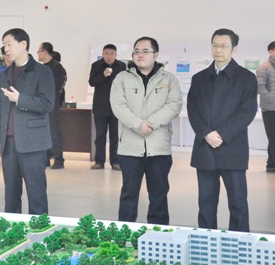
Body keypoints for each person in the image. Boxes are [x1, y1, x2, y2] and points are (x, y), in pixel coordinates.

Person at [188, 28, 258, 232]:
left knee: (238, 203)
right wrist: (206, 134)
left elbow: (247, 111)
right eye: (215, 45)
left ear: (234, 49)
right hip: (205, 148)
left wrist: (221, 135)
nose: (218, 50)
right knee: (206, 203)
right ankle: (206, 242)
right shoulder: (199, 78)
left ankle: (240, 243)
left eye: (224, 46)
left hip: (232, 148)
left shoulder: (246, 78)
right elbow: (193, 110)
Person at [110, 36, 182, 225]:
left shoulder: (169, 79)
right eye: (136, 51)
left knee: (159, 195)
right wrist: (137, 124)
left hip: (159, 148)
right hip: (130, 148)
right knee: (128, 195)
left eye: (145, 51)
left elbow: (174, 105)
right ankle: (124, 234)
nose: (140, 55)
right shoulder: (122, 78)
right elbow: (118, 106)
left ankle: (158, 235)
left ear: (156, 55)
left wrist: (150, 123)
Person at [0, 28, 55, 215]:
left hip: (33, 142)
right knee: (11, 194)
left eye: (9, 44)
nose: (6, 49)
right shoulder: (5, 74)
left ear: (23, 44)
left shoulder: (42, 72)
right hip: (8, 143)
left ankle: (40, 229)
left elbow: (47, 104)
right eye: (4, 45)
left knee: (36, 193)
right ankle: (13, 229)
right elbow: (0, 108)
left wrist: (20, 99)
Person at [89, 44, 126, 170]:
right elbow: (92, 82)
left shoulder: (121, 66)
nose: (109, 56)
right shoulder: (96, 66)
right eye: (106, 53)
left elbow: (125, 84)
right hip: (100, 106)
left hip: (116, 106)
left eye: (111, 54)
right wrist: (103, 75)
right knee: (100, 135)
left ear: (116, 55)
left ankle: (115, 161)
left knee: (115, 136)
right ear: (102, 54)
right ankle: (99, 161)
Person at [37, 42, 66, 169]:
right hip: (41, 104)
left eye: (39, 51)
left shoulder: (57, 67)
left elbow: (57, 86)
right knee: (44, 131)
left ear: (45, 52)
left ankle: (59, 159)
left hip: (52, 103)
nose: (38, 54)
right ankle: (46, 158)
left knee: (54, 132)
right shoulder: (41, 68)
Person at [256, 41, 275, 173]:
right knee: (273, 138)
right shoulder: (263, 68)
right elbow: (260, 88)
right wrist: (271, 99)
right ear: (271, 51)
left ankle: (271, 164)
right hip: (269, 109)